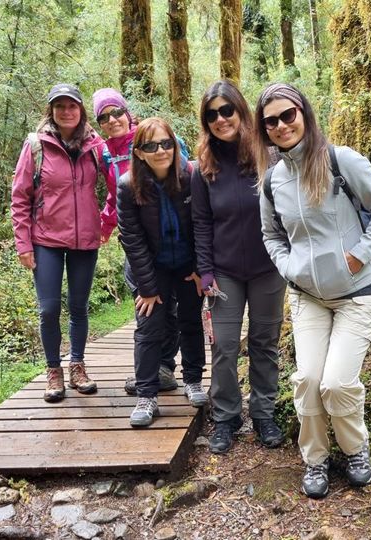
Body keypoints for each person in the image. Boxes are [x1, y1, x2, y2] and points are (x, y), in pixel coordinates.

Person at [254, 83, 371, 498]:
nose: (282, 125)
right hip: (308, 297)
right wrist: (289, 267)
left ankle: (356, 450)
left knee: (336, 383)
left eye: (288, 115)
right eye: (272, 121)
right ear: (263, 129)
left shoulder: (340, 160)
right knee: (308, 379)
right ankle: (315, 459)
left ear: (304, 113)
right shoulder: (272, 182)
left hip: (358, 293)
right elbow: (270, 235)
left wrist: (358, 254)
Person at [192, 80, 285, 454]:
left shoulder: (268, 156)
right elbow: (200, 222)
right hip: (224, 273)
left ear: (241, 111)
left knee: (265, 343)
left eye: (226, 110)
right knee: (225, 347)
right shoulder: (204, 168)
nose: (220, 119)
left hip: (268, 269)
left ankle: (264, 413)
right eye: (212, 114)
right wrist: (206, 270)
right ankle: (227, 417)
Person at [11, 83, 117, 402]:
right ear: (52, 111)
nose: (67, 111)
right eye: (60, 106)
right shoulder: (36, 145)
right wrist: (23, 243)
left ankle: (78, 365)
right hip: (46, 239)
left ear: (81, 110)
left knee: (78, 307)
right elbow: (19, 197)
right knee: (48, 309)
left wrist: (106, 222)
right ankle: (53, 370)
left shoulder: (96, 145)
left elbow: (117, 184)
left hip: (85, 238)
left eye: (72, 106)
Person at [117, 117, 208, 427]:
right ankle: (147, 395)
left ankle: (193, 381)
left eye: (166, 143)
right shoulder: (128, 186)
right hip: (152, 268)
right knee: (149, 325)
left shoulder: (190, 175)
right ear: (139, 152)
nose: (160, 151)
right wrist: (147, 287)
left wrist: (199, 268)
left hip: (186, 265)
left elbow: (201, 223)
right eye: (151, 146)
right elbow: (132, 238)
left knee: (190, 320)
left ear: (174, 144)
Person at [93, 88, 185, 394]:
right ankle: (150, 371)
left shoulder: (153, 138)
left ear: (127, 113)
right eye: (104, 116)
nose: (112, 119)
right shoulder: (105, 153)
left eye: (117, 112)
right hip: (137, 241)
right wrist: (105, 225)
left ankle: (165, 367)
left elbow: (182, 177)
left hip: (170, 240)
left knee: (168, 307)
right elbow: (113, 194)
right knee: (146, 303)